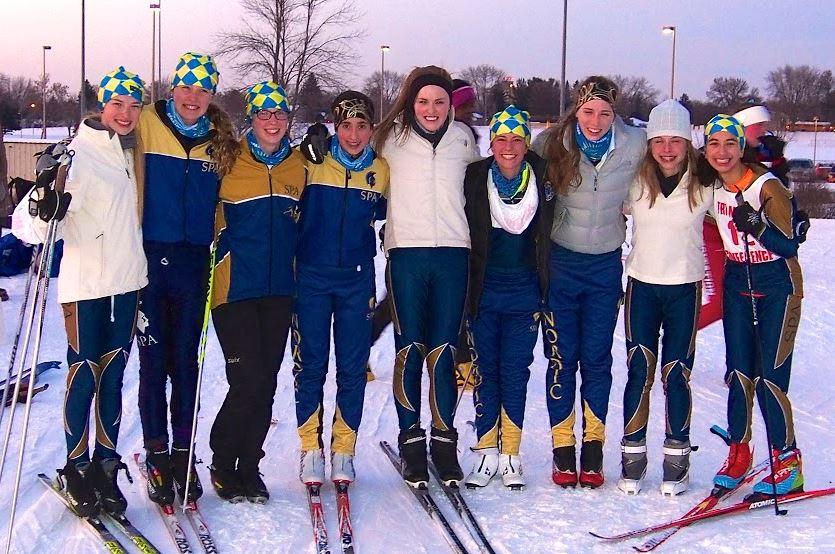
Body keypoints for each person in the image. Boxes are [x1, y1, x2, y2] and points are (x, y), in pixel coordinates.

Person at [12, 67, 148, 517]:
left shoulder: (134, 155)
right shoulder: (76, 155)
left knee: (114, 378)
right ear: (101, 106)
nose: (125, 114)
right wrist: (42, 205)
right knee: (84, 376)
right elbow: (26, 226)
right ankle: (75, 466)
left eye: (133, 106)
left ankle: (105, 468)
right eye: (117, 105)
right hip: (86, 287)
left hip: (126, 284)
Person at [135, 52, 238, 507]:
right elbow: (105, 134)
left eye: (203, 89)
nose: (193, 97)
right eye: (186, 87)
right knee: (154, 365)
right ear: (172, 87)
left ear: (211, 94)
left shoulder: (221, 143)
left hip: (195, 263)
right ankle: (157, 453)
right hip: (148, 261)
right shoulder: (145, 124)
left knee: (187, 365)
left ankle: (183, 452)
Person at [533, 76, 645, 488]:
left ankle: (593, 448)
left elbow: (681, 160)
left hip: (604, 266)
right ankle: (563, 449)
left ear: (615, 114)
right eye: (588, 112)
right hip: (561, 262)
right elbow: (507, 168)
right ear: (575, 111)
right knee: (563, 356)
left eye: (605, 113)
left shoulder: (635, 143)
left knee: (597, 358)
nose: (596, 121)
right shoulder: (552, 144)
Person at [374, 65, 480, 487]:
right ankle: (411, 440)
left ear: (449, 104)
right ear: (410, 102)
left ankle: (444, 441)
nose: (431, 109)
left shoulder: (463, 140)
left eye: (439, 101)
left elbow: (478, 189)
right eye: (423, 101)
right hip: (408, 255)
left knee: (443, 349)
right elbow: (358, 161)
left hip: (454, 255)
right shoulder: (391, 140)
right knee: (409, 349)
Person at [207, 81, 305, 503]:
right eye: (264, 114)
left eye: (279, 114)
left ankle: (250, 465)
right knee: (246, 378)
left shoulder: (299, 166)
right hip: (234, 289)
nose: (272, 122)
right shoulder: (228, 160)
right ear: (251, 119)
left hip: (279, 290)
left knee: (266, 381)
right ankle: (222, 459)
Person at [703, 114, 805, 501]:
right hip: (736, 279)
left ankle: (788, 462)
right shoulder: (711, 185)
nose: (723, 152)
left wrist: (759, 227)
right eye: (715, 144)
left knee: (770, 376)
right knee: (740, 372)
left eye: (731, 144)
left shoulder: (765, 185)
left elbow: (789, 244)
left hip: (776, 282)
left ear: (742, 147)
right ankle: (739, 451)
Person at [293, 91, 389, 487]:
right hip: (311, 278)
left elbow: (387, 216)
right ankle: (310, 448)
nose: (353, 135)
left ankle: (343, 449)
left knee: (352, 368)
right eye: (346, 125)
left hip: (355, 280)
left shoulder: (381, 171)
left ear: (371, 128)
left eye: (362, 126)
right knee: (310, 364)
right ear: (335, 126)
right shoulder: (312, 161)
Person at [617, 100, 712, 496]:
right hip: (642, 284)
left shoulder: (705, 181)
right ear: (650, 143)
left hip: (684, 287)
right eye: (660, 140)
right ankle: (633, 456)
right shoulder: (635, 181)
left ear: (688, 142)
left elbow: (744, 181)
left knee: (676, 372)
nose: (668, 148)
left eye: (676, 140)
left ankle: (677, 457)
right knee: (639, 368)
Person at [462, 106, 554, 489]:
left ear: (527, 143)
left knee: (516, 372)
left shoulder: (545, 177)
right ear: (491, 142)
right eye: (501, 138)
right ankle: (485, 451)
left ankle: (510, 453)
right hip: (484, 291)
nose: (509, 146)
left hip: (525, 292)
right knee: (486, 372)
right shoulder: (474, 177)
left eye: (517, 139)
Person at [732, 102, 789, 187]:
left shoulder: (764, 154)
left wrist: (777, 161)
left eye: (765, 125)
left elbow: (779, 193)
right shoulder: (727, 157)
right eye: (759, 125)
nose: (764, 130)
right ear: (742, 127)